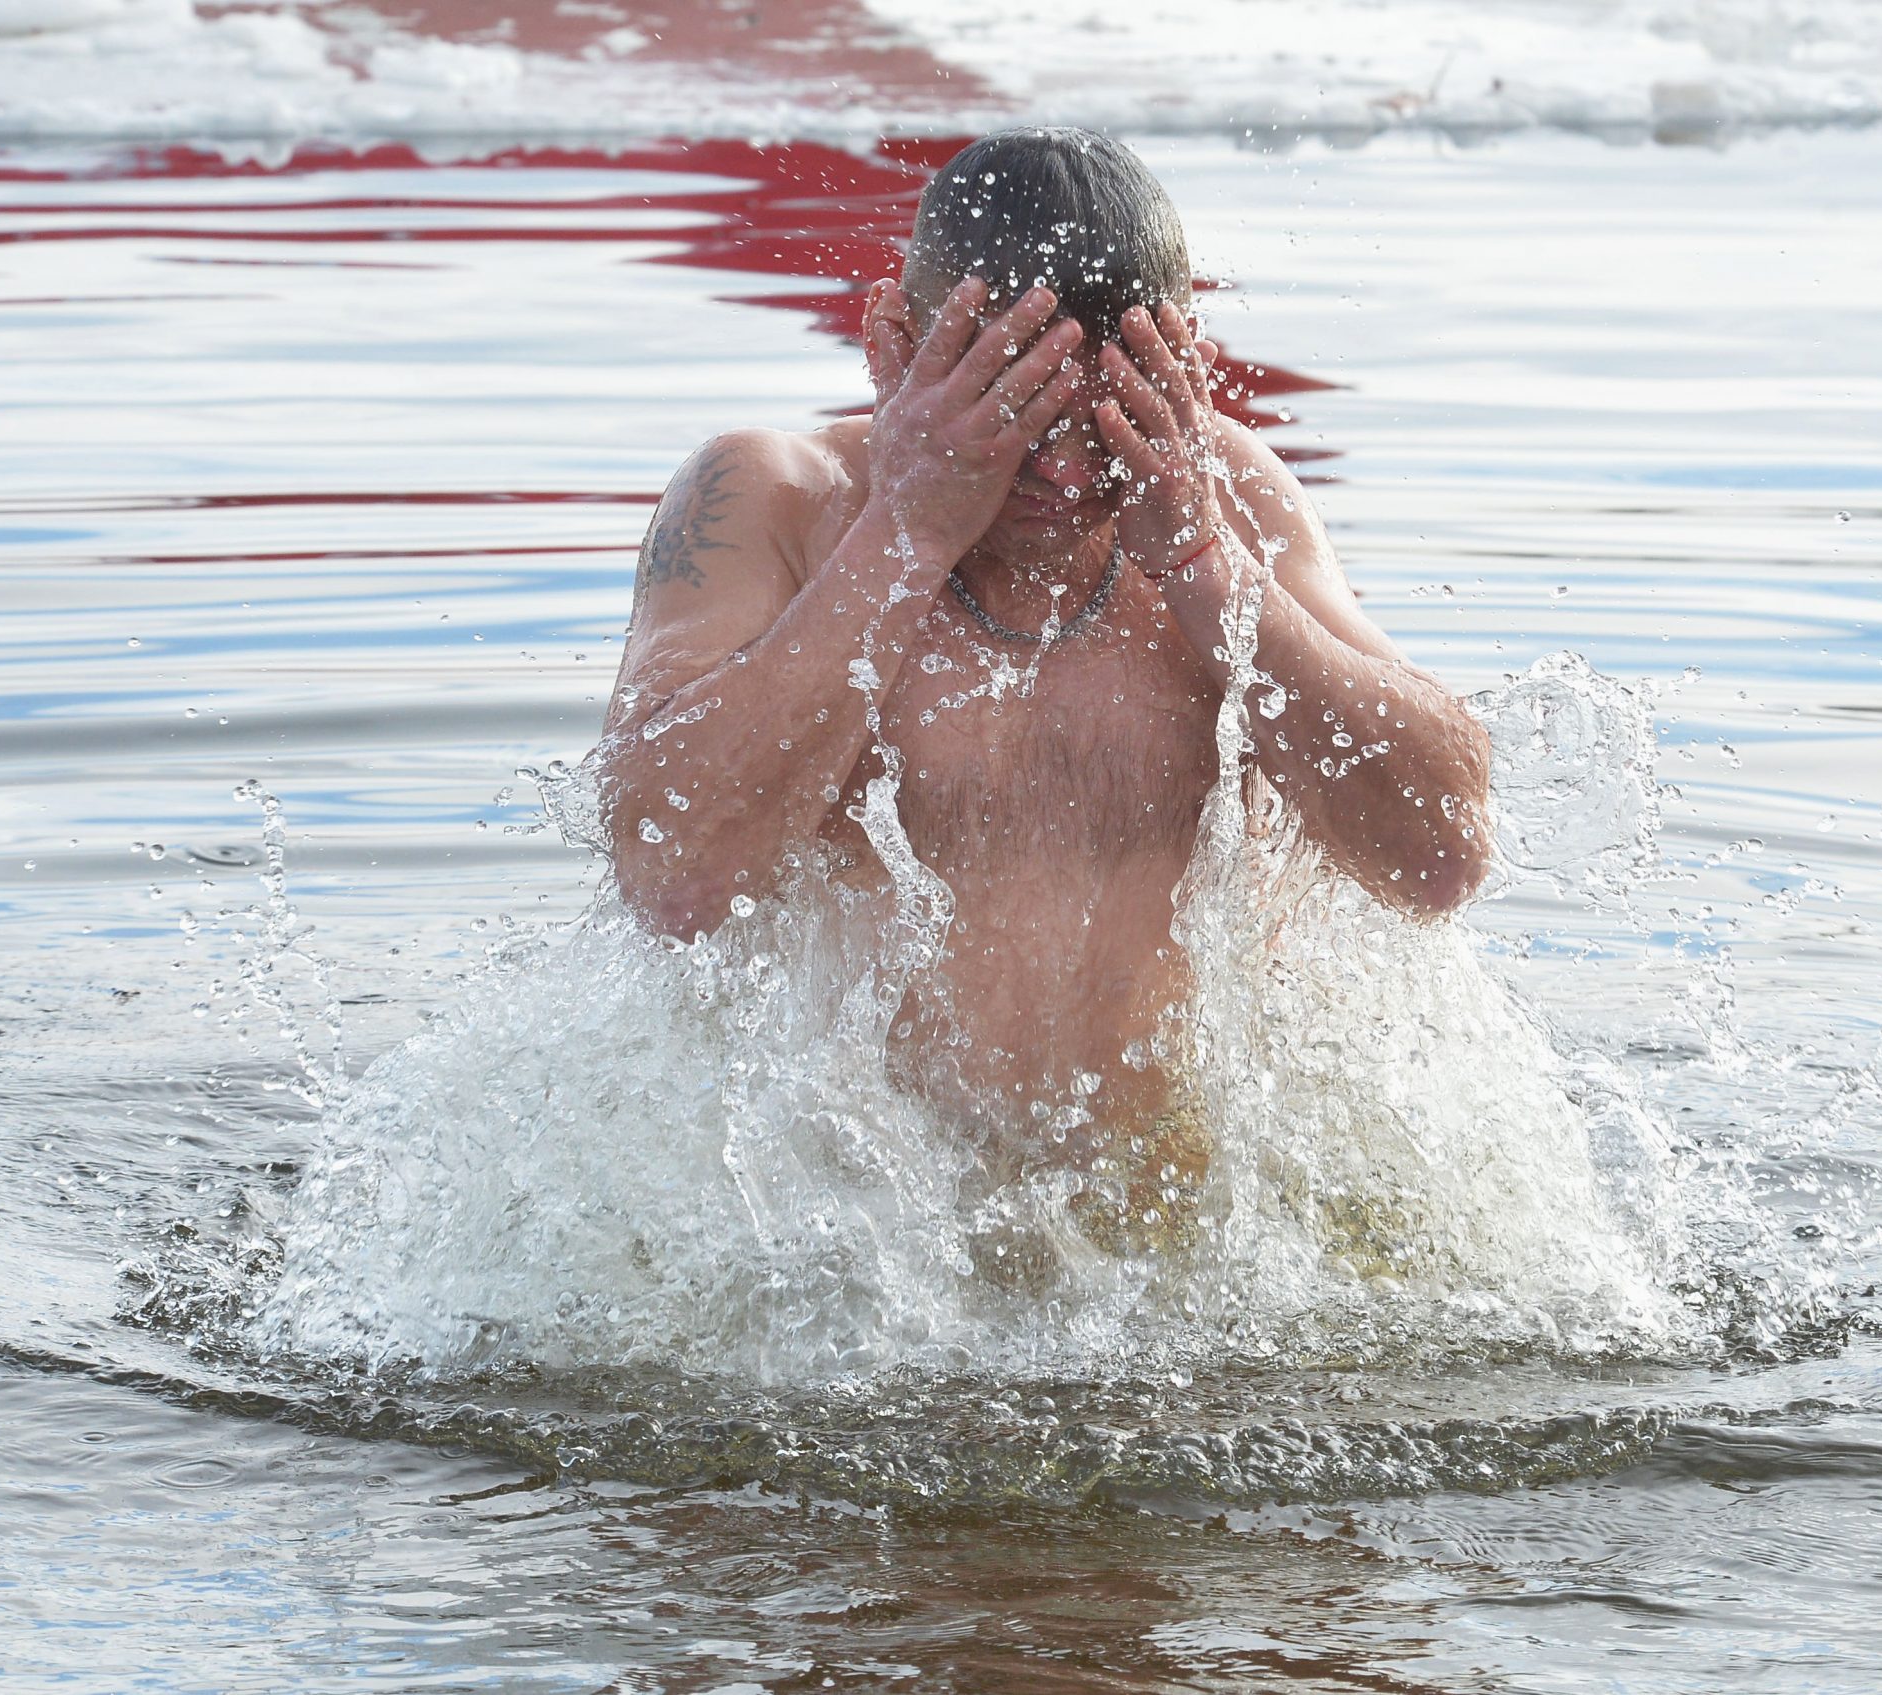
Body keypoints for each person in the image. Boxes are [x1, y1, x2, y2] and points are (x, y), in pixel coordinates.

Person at [597, 127, 1489, 1207]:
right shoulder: (774, 501)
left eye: (1103, 420)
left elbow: (1440, 860)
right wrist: (909, 532)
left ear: (1183, 367)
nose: (1066, 473)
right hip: (860, 1224)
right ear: (890, 341)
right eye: (1011, 417)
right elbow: (675, 876)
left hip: (1180, 1219)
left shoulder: (1230, 502)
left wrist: (1204, 567)